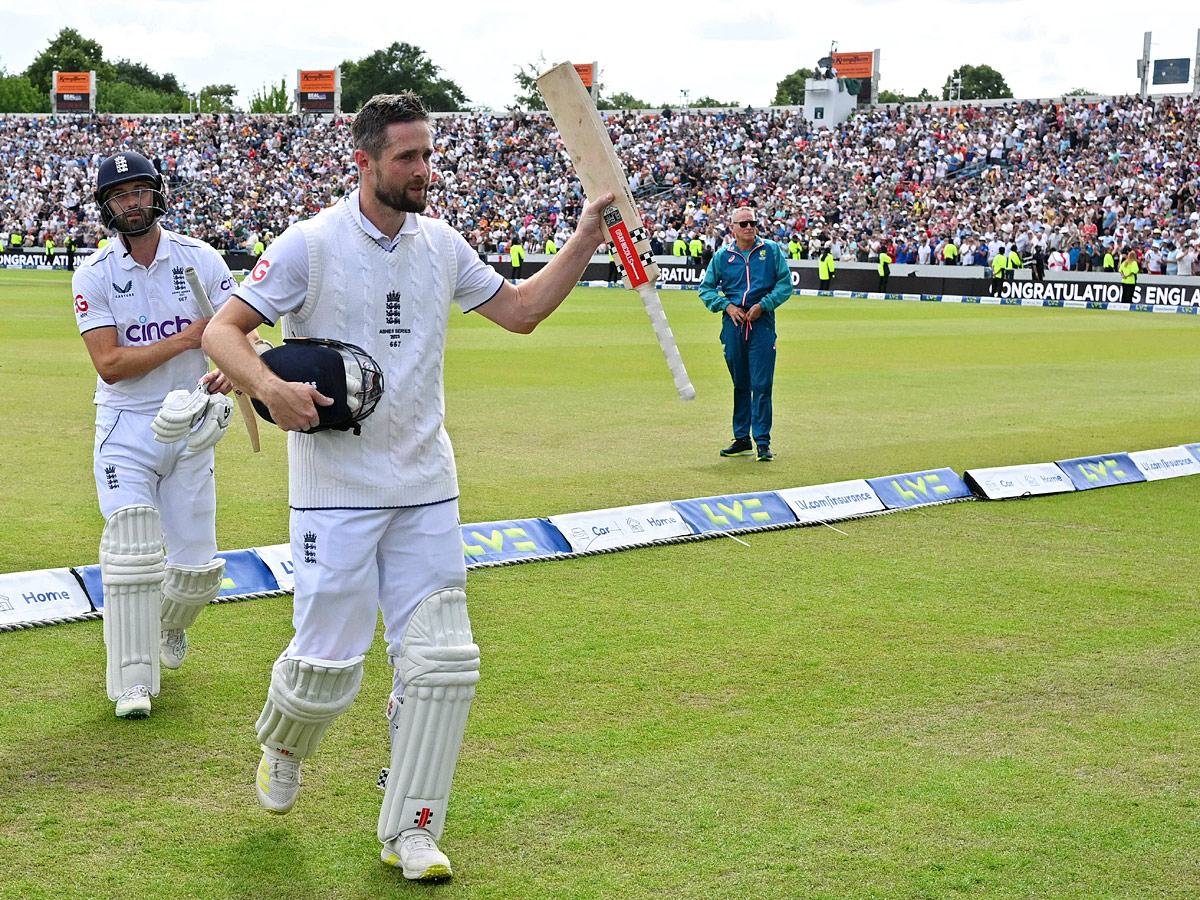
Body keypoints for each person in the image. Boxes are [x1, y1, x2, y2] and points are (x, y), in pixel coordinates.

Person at [201, 92, 613, 883]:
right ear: (364, 162)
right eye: (407, 158)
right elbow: (224, 331)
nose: (424, 171)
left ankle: (413, 830)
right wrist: (268, 390)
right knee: (327, 667)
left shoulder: (442, 244)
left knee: (444, 663)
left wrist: (584, 237)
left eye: (428, 155)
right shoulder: (309, 245)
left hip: (427, 485)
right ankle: (284, 745)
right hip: (336, 490)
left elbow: (522, 312)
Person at [72, 150, 253, 719]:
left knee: (196, 570)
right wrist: (188, 340)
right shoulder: (94, 273)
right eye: (120, 195)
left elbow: (239, 331)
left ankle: (170, 625)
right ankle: (132, 683)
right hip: (127, 429)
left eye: (140, 191)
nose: (133, 202)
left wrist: (231, 363)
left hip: (193, 426)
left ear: (156, 194)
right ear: (107, 206)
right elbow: (110, 363)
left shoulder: (200, 259)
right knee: (131, 550)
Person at [698, 207, 792, 462]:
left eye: (752, 222)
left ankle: (762, 441)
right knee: (740, 383)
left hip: (761, 324)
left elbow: (785, 284)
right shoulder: (722, 256)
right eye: (743, 224)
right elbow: (705, 290)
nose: (749, 227)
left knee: (762, 384)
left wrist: (764, 305)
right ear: (733, 228)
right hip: (733, 325)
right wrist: (726, 306)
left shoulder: (771, 250)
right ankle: (741, 438)